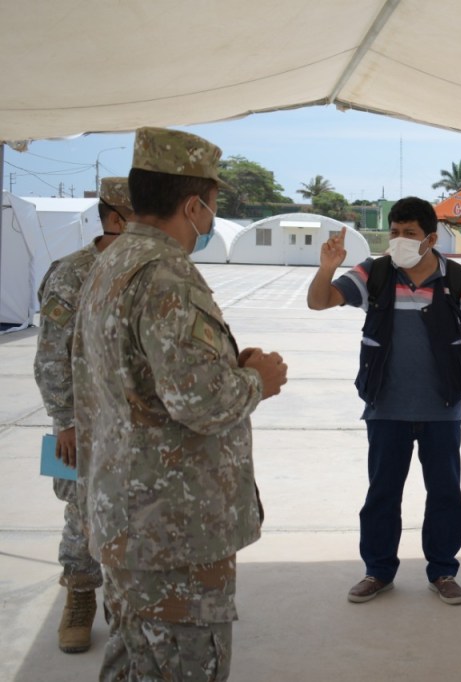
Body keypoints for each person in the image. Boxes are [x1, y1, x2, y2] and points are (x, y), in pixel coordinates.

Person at [72, 127, 289, 680]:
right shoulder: (166, 276)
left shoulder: (110, 264)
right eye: (212, 206)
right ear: (193, 205)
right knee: (180, 666)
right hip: (173, 531)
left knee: (131, 662)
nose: (212, 220)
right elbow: (201, 402)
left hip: (126, 517)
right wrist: (257, 379)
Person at [306, 197, 461, 607]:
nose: (399, 241)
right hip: (385, 407)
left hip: (441, 409)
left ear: (430, 238)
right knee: (382, 492)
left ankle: (443, 570)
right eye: (394, 232)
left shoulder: (457, 277)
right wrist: (327, 267)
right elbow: (318, 301)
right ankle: (377, 571)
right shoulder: (373, 272)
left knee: (445, 493)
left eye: (409, 234)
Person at [33, 176, 133, 654]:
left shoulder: (146, 267)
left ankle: (123, 598)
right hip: (82, 419)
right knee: (81, 508)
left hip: (135, 420)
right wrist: (65, 420)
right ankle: (79, 592)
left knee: (133, 508)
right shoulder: (72, 273)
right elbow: (51, 353)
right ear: (115, 218)